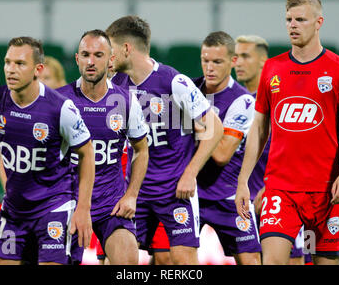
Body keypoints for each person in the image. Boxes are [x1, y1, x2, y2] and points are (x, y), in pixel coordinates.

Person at [235, 0, 339, 265]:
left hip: (326, 192)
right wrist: (243, 181)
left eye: (301, 19)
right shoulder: (272, 68)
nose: (293, 25)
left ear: (319, 22)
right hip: (282, 191)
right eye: (289, 19)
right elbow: (259, 129)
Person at [106, 15, 224, 265]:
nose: (108, 57)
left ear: (126, 48)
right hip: (133, 191)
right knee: (117, 259)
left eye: (111, 50)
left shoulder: (173, 81)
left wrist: (191, 173)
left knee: (183, 261)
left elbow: (215, 126)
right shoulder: (114, 86)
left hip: (174, 190)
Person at [0, 36, 95, 265]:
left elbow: (87, 154)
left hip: (54, 206)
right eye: (7, 62)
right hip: (13, 209)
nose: (11, 69)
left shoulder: (61, 108)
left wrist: (83, 208)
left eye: (20, 64)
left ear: (37, 69)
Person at [57, 29, 149, 265]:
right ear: (77, 59)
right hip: (68, 202)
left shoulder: (127, 101)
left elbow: (141, 149)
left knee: (129, 263)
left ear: (110, 61)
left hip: (111, 202)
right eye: (85, 54)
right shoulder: (59, 101)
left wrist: (131, 195)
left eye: (98, 55)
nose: (90, 61)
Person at [234, 34, 305, 265]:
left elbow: (299, 151)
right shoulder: (234, 101)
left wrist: (271, 188)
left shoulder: (281, 101)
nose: (238, 63)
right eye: (236, 57)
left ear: (264, 62)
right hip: (243, 203)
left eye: (245, 56)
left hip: (276, 199)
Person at [193, 31, 261, 265]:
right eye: (205, 60)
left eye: (217, 62)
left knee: (251, 260)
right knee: (167, 259)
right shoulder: (189, 90)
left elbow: (222, 154)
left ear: (232, 62)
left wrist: (197, 118)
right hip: (190, 194)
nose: (209, 68)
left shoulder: (242, 101)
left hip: (227, 196)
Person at [0, 55, 68, 190]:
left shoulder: (69, 115)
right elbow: (4, 157)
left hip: (58, 197)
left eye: (46, 78)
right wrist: (10, 191)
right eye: (37, 77)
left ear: (60, 83)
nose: (40, 82)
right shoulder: (17, 114)